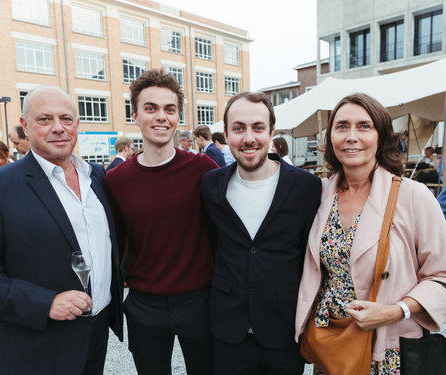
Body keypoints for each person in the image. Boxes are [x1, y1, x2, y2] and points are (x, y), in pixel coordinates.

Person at [0, 85, 123, 375]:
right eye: (44, 119)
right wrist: (46, 303)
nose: (58, 128)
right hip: (37, 344)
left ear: (77, 124)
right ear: (25, 126)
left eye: (66, 118)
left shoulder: (96, 177)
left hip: (96, 333)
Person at [295, 93, 446, 374]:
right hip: (332, 348)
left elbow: (441, 276)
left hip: (389, 350)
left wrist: (394, 310)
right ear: (331, 139)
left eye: (364, 126)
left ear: (381, 137)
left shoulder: (413, 196)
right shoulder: (318, 193)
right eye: (341, 126)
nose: (351, 136)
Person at [104, 69, 217, 375]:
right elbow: (115, 240)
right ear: (136, 115)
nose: (161, 117)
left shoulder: (204, 168)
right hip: (144, 304)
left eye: (169, 109)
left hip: (200, 300)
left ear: (178, 117)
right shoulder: (116, 180)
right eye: (151, 108)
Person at [201, 92, 321, 374]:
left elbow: (309, 250)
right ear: (227, 134)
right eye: (239, 128)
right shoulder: (210, 185)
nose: (249, 138)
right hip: (228, 329)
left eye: (257, 127)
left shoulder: (306, 187)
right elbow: (213, 242)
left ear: (271, 132)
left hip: (283, 328)